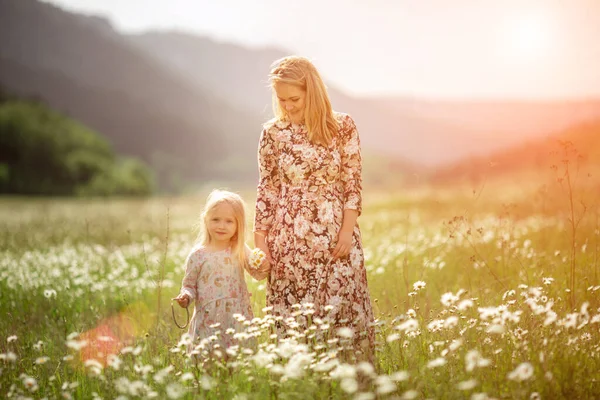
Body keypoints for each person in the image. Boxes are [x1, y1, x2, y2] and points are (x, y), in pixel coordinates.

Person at [253, 56, 374, 357]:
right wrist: (260, 246)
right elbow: (267, 188)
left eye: (294, 98)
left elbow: (352, 182)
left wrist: (347, 231)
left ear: (313, 92)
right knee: (294, 326)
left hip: (336, 239)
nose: (288, 106)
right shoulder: (272, 133)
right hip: (288, 244)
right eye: (282, 100)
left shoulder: (342, 126)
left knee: (344, 319)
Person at [174, 189, 270, 356]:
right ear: (206, 220)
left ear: (238, 225)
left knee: (238, 361)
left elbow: (258, 274)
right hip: (208, 321)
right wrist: (185, 297)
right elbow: (189, 286)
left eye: (229, 221)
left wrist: (263, 263)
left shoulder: (238, 249)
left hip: (236, 319)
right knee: (209, 362)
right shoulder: (198, 255)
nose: (221, 226)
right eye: (216, 219)